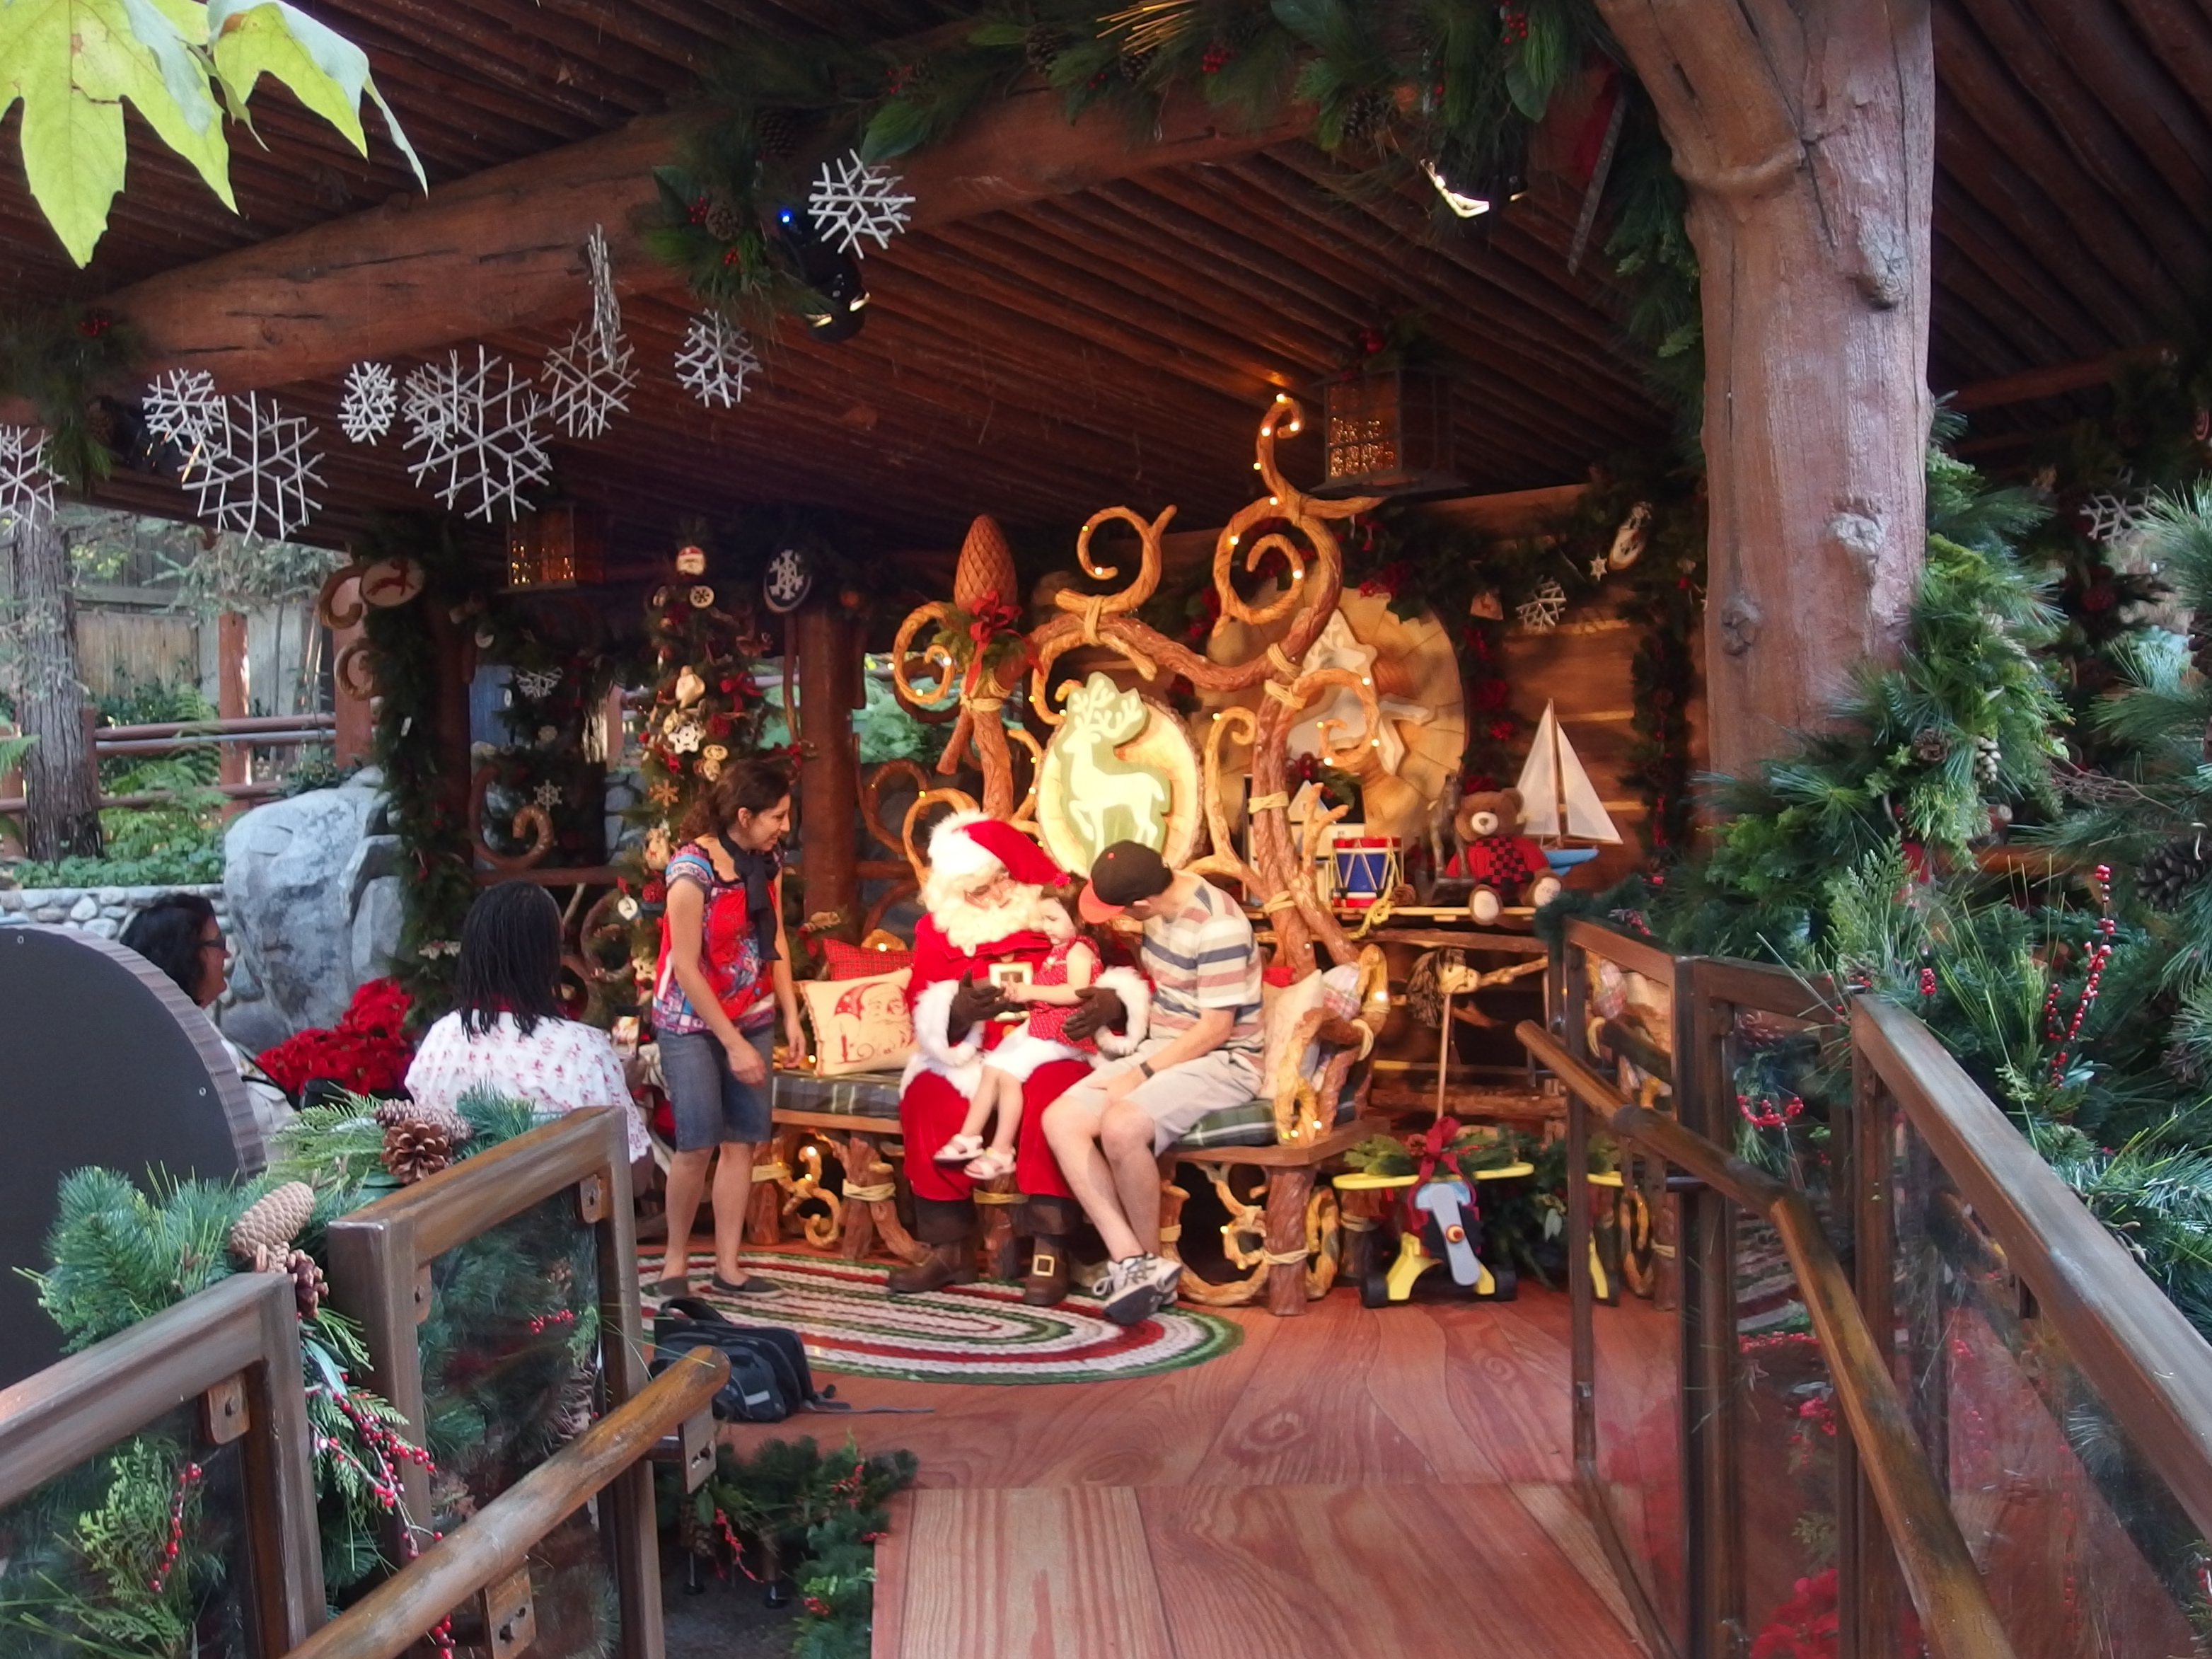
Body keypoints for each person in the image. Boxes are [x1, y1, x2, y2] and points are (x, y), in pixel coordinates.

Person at [892, 812, 1150, 1304]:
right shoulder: (935, 930)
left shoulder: (1058, 914)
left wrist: (1109, 1001)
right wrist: (955, 1010)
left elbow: (1123, 973)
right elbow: (919, 1001)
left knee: (1048, 1097)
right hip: (973, 1052)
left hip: (1054, 1044)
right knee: (927, 1095)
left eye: (1000, 881)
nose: (994, 898)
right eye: (977, 892)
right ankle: (949, 1246)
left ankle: (1051, 1247)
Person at [1043, 840, 1265, 1326]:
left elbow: (1215, 1029)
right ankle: (1133, 1262)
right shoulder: (1156, 903)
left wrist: (1138, 1075)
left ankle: (1145, 1262)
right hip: (1165, 1044)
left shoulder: (1217, 925)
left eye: (1117, 909)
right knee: (1059, 1118)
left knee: (1122, 1124)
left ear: (1141, 903)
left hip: (1224, 1059)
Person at [647, 757, 805, 1300]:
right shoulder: (691, 872)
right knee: (697, 1143)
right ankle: (674, 1262)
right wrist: (733, 1043)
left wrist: (789, 1011)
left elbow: (775, 937)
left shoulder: (767, 860)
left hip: (751, 1008)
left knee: (742, 1142)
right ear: (744, 814)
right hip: (691, 1019)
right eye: (776, 816)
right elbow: (686, 968)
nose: (784, 825)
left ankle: (729, 1265)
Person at [405, 883, 645, 1169]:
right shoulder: (583, 1050)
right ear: (546, 958)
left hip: (461, 1210)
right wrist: (620, 1085)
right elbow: (636, 1175)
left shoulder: (440, 1039)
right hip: (555, 1211)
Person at [932, 888, 1100, 1181]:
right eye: (1043, 919)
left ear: (1079, 919)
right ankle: (969, 1135)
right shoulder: (1060, 951)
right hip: (1043, 1023)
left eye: (1052, 919)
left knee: (1010, 1074)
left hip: (1067, 1030)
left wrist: (1031, 990)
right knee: (993, 1065)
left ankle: (1002, 1150)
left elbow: (1076, 991)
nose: (1046, 927)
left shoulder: (1080, 950)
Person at [120, 894, 291, 1145]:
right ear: (186, 954)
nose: (227, 954)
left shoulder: (177, 1035)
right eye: (218, 943)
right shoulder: (179, 1053)